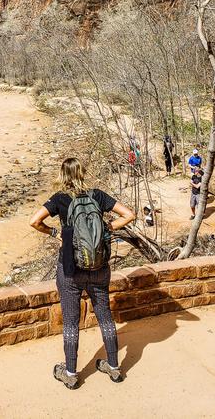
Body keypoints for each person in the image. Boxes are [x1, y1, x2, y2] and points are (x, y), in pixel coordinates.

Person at [30, 157, 135, 390]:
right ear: (82, 173)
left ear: (63, 176)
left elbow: (34, 221)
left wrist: (54, 232)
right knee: (105, 315)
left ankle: (70, 373)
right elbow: (129, 214)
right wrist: (108, 228)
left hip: (70, 269)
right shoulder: (97, 195)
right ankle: (115, 368)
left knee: (70, 321)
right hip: (99, 267)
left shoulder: (59, 199)